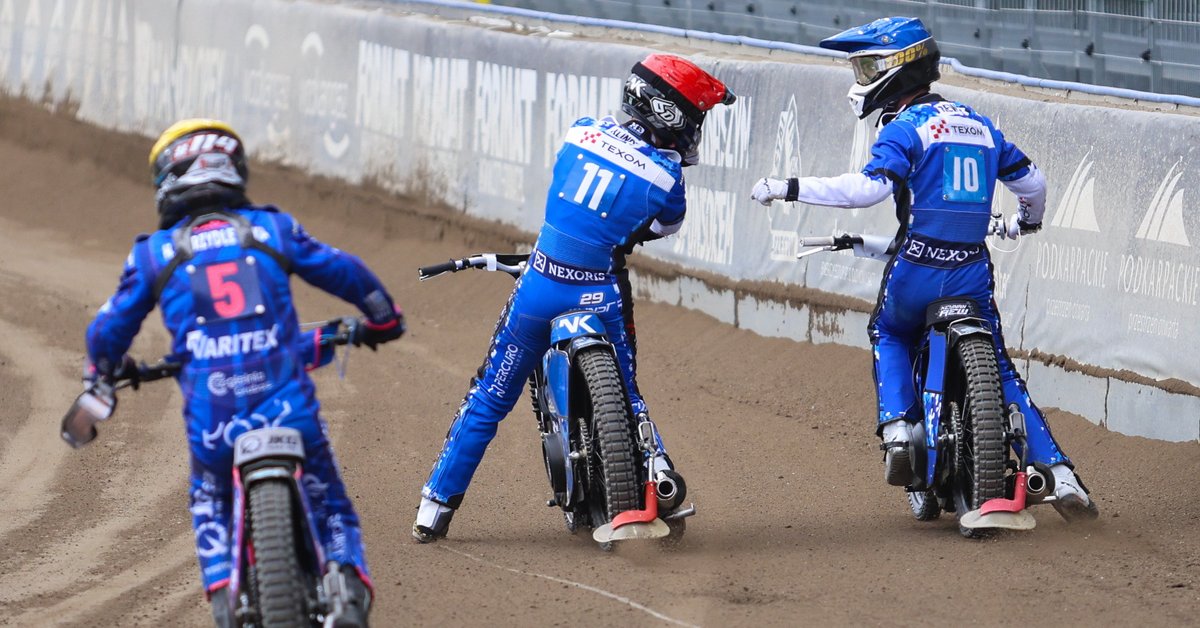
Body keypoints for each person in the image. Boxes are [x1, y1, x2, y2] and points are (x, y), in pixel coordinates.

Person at [750, 17, 1098, 522]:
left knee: (888, 331)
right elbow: (1033, 185)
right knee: (1001, 368)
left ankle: (898, 428)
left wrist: (789, 187)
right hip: (971, 269)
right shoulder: (979, 125)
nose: (861, 78)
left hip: (916, 265)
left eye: (868, 67)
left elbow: (869, 190)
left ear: (900, 69)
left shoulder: (904, 128)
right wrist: (1025, 223)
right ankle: (1062, 475)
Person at [85, 119, 405, 626]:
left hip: (215, 423)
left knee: (209, 498)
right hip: (288, 410)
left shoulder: (154, 253)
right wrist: (383, 318)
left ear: (168, 179)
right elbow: (346, 269)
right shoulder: (271, 228)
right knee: (331, 503)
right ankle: (345, 585)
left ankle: (225, 600)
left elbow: (106, 331)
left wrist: (102, 371)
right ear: (232, 168)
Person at [412, 54, 736, 542]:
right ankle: (660, 475)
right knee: (630, 395)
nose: (696, 129)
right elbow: (661, 227)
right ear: (669, 114)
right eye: (695, 117)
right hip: (599, 293)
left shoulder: (581, 131)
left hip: (540, 285)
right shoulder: (668, 177)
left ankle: (433, 508)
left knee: (489, 397)